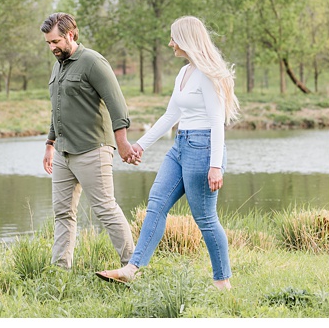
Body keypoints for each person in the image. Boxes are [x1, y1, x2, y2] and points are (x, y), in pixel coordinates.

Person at [96, 16, 237, 290]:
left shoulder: (207, 75)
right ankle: (132, 268)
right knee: (156, 204)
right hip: (180, 146)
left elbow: (217, 121)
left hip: (203, 148)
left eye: (174, 38)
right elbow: (171, 115)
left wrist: (216, 165)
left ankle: (223, 282)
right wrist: (139, 145)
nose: (170, 43)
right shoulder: (184, 73)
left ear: (186, 40)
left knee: (206, 219)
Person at [41, 12, 136, 270]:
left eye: (56, 41)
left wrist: (123, 142)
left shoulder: (93, 62)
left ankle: (133, 266)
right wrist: (50, 144)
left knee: (105, 209)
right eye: (49, 43)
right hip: (63, 152)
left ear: (70, 34)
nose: (52, 47)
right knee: (62, 214)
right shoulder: (57, 65)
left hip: (93, 149)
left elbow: (117, 104)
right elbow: (57, 109)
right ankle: (60, 270)